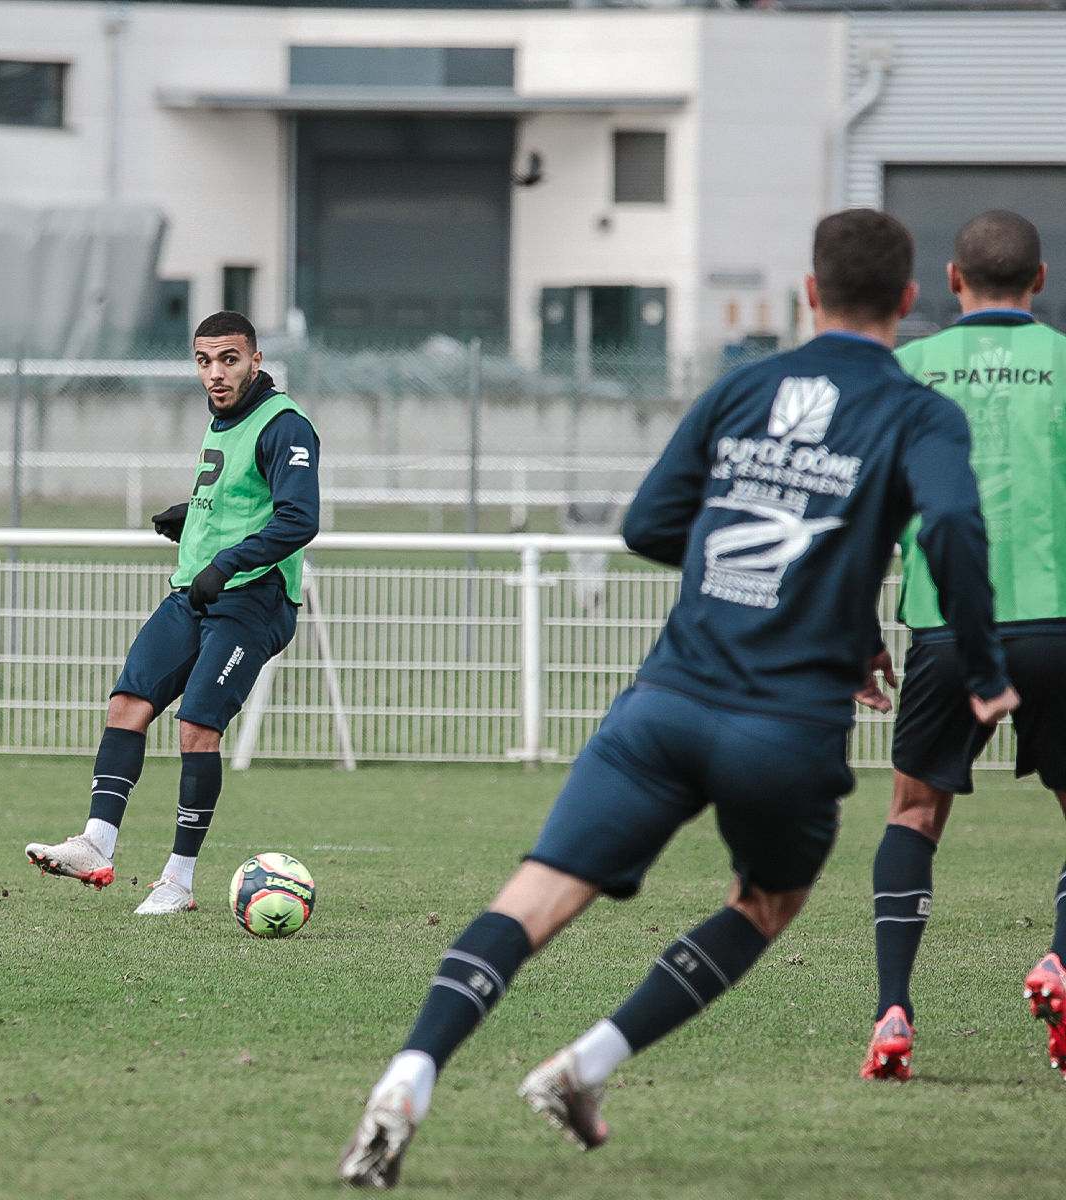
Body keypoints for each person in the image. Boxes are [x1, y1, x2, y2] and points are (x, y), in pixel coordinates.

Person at [338, 209, 1018, 1188]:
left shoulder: (741, 386)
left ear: (808, 292)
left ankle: (411, 1072)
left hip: (662, 705)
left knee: (532, 901)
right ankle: (586, 1066)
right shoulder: (917, 411)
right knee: (767, 900)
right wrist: (983, 667)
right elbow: (951, 523)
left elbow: (651, 522)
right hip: (781, 731)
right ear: (911, 302)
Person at [858, 210, 1066, 1082]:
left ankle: (893, 1011)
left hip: (945, 626)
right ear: (1041, 281)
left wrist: (858, 630)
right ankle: (1058, 958)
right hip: (1059, 626)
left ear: (950, 281)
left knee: (914, 815)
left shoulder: (905, 371)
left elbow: (864, 511)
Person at [24, 311, 320, 915]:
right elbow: (245, 495)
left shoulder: (285, 425)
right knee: (127, 704)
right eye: (205, 361)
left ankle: (177, 881)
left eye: (229, 359)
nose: (216, 372)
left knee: (197, 728)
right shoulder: (222, 420)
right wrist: (195, 514)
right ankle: (96, 845)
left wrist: (226, 563)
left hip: (253, 601)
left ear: (256, 361)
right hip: (197, 592)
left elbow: (298, 517)